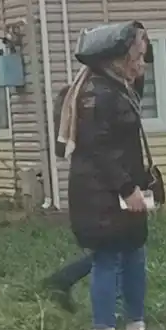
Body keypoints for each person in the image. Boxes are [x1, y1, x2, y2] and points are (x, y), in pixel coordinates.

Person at [40, 66, 150, 311]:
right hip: (104, 189)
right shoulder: (96, 98)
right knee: (110, 253)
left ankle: (66, 281)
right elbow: (98, 149)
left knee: (117, 252)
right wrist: (126, 186)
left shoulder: (88, 93)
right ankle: (110, 317)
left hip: (104, 187)